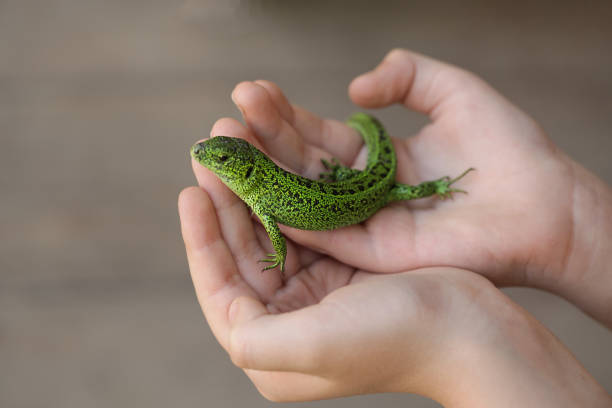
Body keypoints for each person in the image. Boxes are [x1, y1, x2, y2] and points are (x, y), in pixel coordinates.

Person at [178, 49, 612, 406]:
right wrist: (572, 226)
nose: (209, 158)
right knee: (377, 187)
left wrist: (278, 256)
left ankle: (435, 185)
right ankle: (417, 178)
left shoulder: (259, 194)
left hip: (375, 190)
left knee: (396, 191)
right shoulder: (259, 185)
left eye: (220, 160)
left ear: (244, 166)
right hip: (364, 188)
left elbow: (275, 234)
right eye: (216, 159)